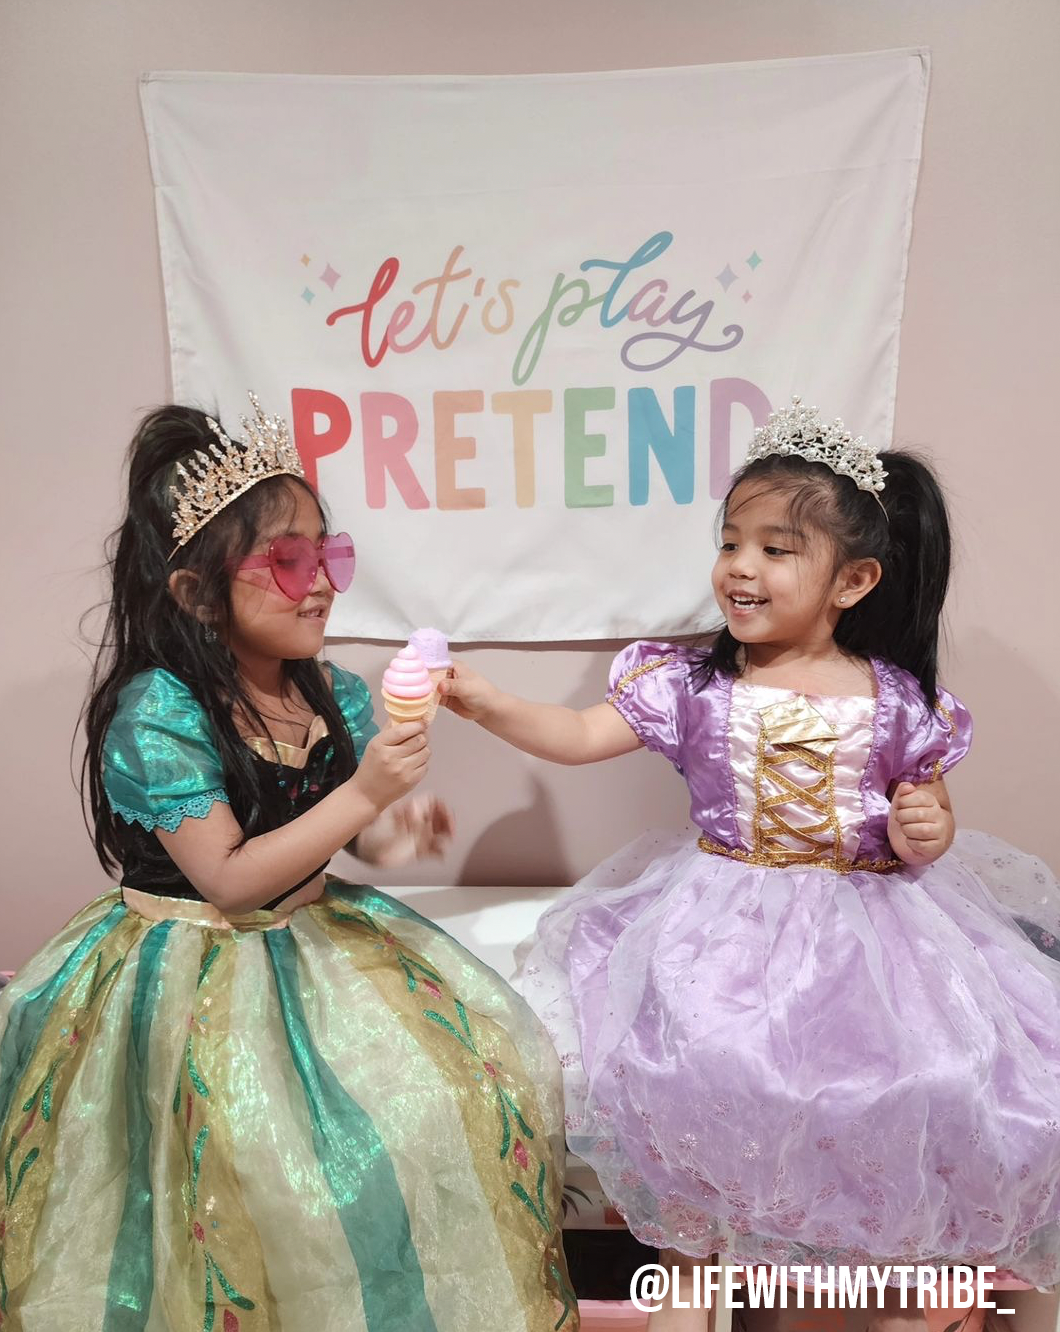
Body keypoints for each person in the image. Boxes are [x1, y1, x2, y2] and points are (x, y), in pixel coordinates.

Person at [440, 397, 1060, 1329]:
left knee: (892, 1101)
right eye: (731, 542)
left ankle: (867, 1288)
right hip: (720, 939)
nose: (741, 567)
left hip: (869, 952)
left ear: (852, 580)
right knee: (703, 1081)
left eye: (776, 549)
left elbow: (925, 815)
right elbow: (577, 734)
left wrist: (925, 826)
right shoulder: (695, 685)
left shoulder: (897, 700)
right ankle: (690, 1284)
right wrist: (489, 703)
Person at [0, 395, 577, 1331]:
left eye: (327, 556)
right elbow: (228, 878)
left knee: (449, 1091)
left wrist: (393, 829)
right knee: (237, 1169)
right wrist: (366, 793)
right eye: (287, 562)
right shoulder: (160, 712)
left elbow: (342, 836)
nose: (320, 585)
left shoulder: (330, 692)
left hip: (310, 936)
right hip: (189, 966)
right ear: (198, 593)